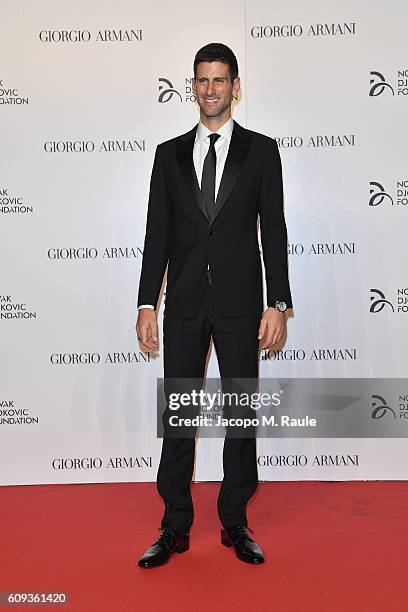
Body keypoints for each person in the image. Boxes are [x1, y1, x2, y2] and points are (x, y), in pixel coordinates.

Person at [135, 42, 292, 568]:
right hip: (180, 306)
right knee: (180, 414)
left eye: (219, 80)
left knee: (240, 414)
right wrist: (145, 303)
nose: (210, 89)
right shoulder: (168, 153)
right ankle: (174, 524)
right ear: (193, 86)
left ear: (235, 86)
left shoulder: (262, 151)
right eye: (202, 80)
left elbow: (274, 230)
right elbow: (156, 235)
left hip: (241, 305)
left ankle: (234, 520)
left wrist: (278, 303)